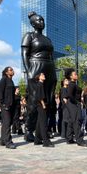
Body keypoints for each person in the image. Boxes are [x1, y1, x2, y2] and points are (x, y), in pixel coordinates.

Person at [21, 11, 57, 142]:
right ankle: (29, 129)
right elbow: (24, 54)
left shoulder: (47, 39)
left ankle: (42, 129)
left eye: (42, 20)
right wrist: (29, 71)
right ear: (32, 23)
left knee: (49, 100)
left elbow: (52, 56)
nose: (42, 22)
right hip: (36, 66)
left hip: (49, 68)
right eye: (38, 20)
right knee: (34, 101)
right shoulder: (29, 36)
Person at [65, 68, 87, 147]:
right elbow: (69, 95)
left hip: (73, 104)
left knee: (71, 121)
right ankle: (79, 140)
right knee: (77, 121)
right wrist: (76, 102)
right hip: (73, 104)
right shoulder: (71, 84)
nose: (76, 75)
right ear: (71, 76)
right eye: (75, 74)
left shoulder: (73, 83)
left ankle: (69, 138)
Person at [0, 67, 16, 149]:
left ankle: (2, 140)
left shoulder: (11, 80)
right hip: (5, 105)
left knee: (6, 123)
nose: (13, 71)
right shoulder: (4, 79)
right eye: (10, 70)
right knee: (7, 122)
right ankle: (8, 142)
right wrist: (3, 103)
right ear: (6, 72)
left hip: (11, 105)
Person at [34, 73, 54, 147]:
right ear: (39, 77)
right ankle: (46, 142)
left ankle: (37, 140)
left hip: (41, 106)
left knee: (39, 123)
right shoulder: (40, 85)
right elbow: (40, 97)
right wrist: (43, 105)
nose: (44, 76)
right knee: (44, 124)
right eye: (42, 75)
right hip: (42, 106)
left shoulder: (41, 84)